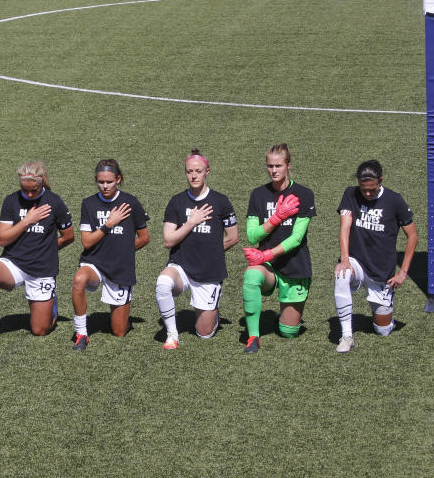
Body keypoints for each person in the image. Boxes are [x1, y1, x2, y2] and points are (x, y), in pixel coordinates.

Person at [0, 160, 74, 349]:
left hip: (42, 269)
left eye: (34, 190)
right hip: (14, 263)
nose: (29, 194)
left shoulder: (54, 202)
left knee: (40, 330)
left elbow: (68, 237)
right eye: (25, 190)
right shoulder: (11, 200)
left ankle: (51, 305)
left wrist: (46, 250)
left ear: (41, 183)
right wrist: (26, 221)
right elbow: (2, 239)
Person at [156, 149, 238, 350]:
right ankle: (172, 334)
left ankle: (213, 313)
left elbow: (233, 237)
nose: (193, 175)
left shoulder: (221, 201)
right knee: (163, 283)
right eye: (189, 171)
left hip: (209, 271)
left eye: (198, 171)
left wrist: (211, 253)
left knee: (204, 334)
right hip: (181, 266)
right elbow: (168, 241)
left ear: (207, 171)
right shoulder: (177, 201)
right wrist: (191, 222)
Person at [333, 160, 417, 353]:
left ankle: (385, 316)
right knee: (342, 274)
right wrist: (345, 259)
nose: (368, 194)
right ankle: (347, 335)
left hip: (382, 272)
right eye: (364, 190)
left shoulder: (395, 200)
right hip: (357, 262)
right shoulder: (350, 194)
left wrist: (403, 272)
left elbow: (412, 235)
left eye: (372, 189)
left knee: (383, 330)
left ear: (381, 180)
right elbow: (345, 227)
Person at [242, 143, 316, 353]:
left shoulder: (304, 194)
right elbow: (252, 235)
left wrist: (264, 253)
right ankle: (253, 337)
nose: (273, 170)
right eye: (270, 166)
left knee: (288, 332)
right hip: (268, 267)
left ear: (288, 166)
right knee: (251, 276)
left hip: (295, 266)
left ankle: (283, 318)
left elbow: (296, 239)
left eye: (278, 166)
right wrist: (278, 217)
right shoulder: (258, 194)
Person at [71, 160, 150, 350]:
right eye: (101, 182)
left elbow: (144, 237)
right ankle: (81, 333)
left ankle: (124, 316)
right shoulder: (89, 203)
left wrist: (122, 252)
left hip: (120, 266)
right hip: (94, 263)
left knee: (119, 332)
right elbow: (87, 242)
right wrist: (109, 224)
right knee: (79, 279)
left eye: (109, 182)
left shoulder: (131, 202)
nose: (105, 186)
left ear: (118, 180)